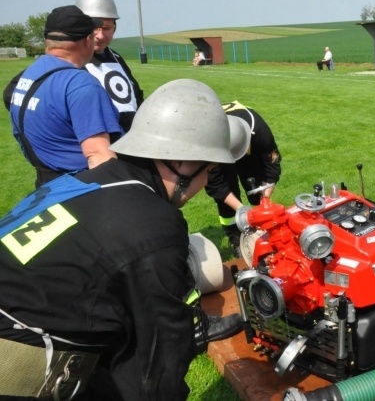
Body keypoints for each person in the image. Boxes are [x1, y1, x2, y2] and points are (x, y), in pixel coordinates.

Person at [0, 79, 247, 399]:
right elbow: (154, 376)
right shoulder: (153, 226)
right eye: (209, 170)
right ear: (185, 163)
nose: (204, 183)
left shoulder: (88, 181)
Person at [6, 5, 122, 188]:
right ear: (87, 41)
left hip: (47, 184)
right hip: (80, 187)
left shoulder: (30, 74)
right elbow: (99, 156)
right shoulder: (81, 84)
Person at [205, 100, 282, 257]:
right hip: (220, 151)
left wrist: (264, 202)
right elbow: (216, 185)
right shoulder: (209, 142)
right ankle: (236, 239)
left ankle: (263, 229)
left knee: (257, 191)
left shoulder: (260, 131)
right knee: (227, 198)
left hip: (249, 146)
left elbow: (271, 167)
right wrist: (241, 210)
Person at [76, 0, 145, 132]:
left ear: (115, 28)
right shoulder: (70, 61)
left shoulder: (116, 57)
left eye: (106, 28)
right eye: (94, 28)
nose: (100, 36)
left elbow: (136, 96)